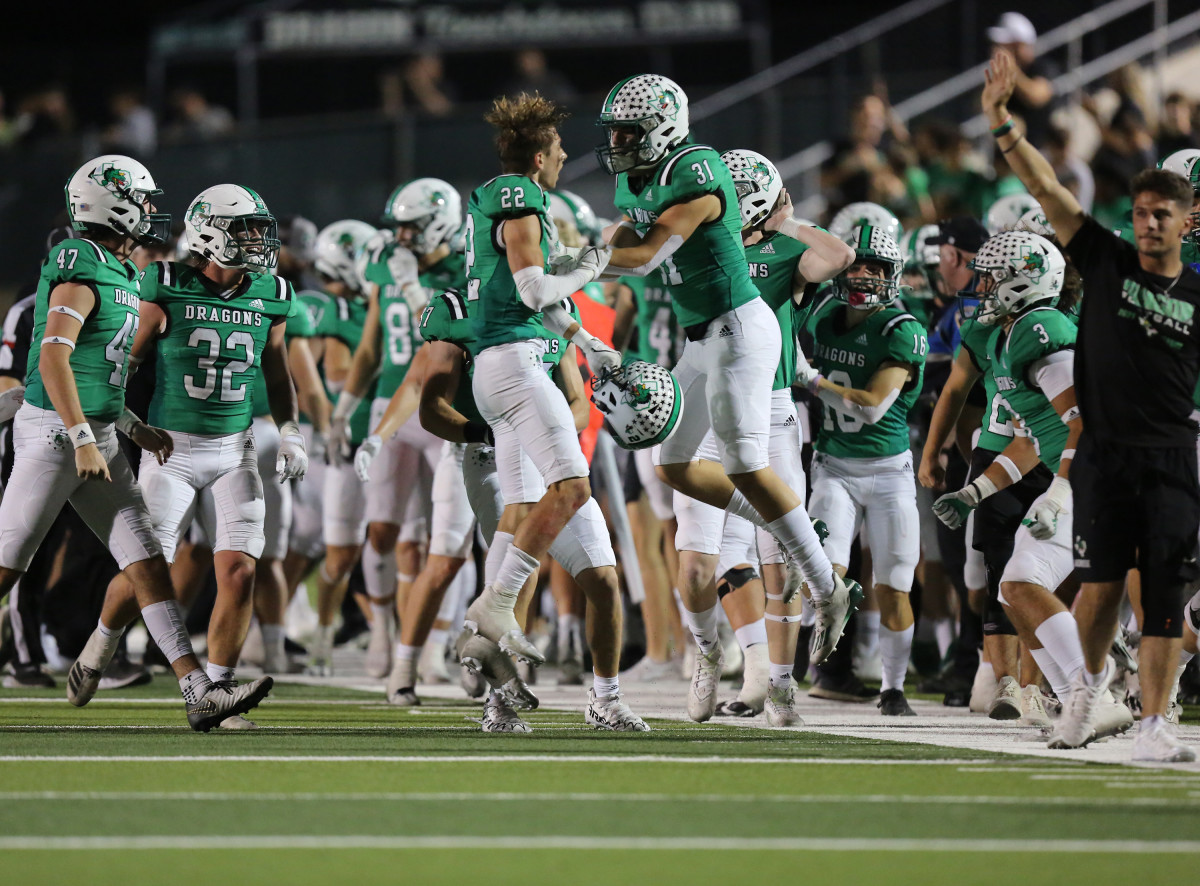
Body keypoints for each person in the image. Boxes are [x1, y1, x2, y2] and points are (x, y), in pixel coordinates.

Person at [591, 74, 860, 675]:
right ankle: (790, 531)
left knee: (742, 463)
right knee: (674, 464)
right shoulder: (639, 175)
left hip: (741, 329)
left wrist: (573, 263)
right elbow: (630, 235)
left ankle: (826, 586)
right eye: (614, 130)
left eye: (628, 131)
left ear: (663, 126)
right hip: (701, 339)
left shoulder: (699, 169)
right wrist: (605, 243)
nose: (618, 142)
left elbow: (649, 253)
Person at [0, 155, 271, 730]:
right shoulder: (80, 260)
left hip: (95, 433)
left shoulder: (124, 272)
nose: (150, 210)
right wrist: (81, 437)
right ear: (112, 203)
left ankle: (200, 691)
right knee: (8, 565)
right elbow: (54, 356)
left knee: (148, 565)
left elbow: (102, 371)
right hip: (56, 434)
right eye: (143, 199)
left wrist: (127, 425)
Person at [984, 48, 1199, 761]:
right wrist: (1004, 127)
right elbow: (1048, 192)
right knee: (1102, 588)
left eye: (1161, 214)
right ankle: (1087, 692)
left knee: (1163, 593)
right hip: (1105, 455)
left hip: (1173, 452)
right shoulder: (1105, 261)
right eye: (1139, 213)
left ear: (1187, 220)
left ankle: (1154, 724)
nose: (1148, 225)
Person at [458, 92, 648, 730]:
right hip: (511, 368)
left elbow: (544, 305)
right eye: (561, 150)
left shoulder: (505, 197)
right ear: (540, 158)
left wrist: (594, 346)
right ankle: (494, 607)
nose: (566, 157)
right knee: (569, 487)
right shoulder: (520, 196)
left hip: (518, 365)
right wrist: (593, 261)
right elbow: (535, 287)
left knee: (584, 563)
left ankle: (599, 700)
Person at [100, 184, 307, 727]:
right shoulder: (165, 283)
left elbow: (277, 372)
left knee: (239, 572)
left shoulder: (272, 291)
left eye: (259, 229)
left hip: (235, 449)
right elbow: (125, 361)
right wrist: (125, 421)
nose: (258, 241)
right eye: (245, 230)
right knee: (151, 567)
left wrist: (291, 430)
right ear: (210, 232)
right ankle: (102, 640)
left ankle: (216, 690)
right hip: (172, 448)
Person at [334, 178, 463, 680]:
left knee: (445, 538)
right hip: (393, 400)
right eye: (400, 228)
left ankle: (434, 643)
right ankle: (384, 629)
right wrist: (345, 408)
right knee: (386, 530)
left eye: (413, 228)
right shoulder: (386, 264)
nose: (403, 238)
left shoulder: (463, 269)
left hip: (447, 404)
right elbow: (370, 345)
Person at [798, 224, 927, 716]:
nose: (865, 274)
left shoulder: (902, 330)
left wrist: (811, 378)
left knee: (894, 584)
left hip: (889, 472)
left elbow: (872, 406)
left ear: (893, 276)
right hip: (833, 467)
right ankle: (811, 656)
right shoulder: (824, 314)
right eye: (857, 263)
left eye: (877, 266)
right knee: (823, 574)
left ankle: (893, 688)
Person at [304, 220, 381, 675]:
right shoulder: (337, 311)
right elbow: (337, 373)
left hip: (390, 433)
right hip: (350, 440)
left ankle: (392, 635)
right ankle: (323, 632)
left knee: (398, 542)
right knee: (341, 551)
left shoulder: (389, 300)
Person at [986, 13, 1056, 148]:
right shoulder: (1001, 75)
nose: (1000, 50)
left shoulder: (1042, 67)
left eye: (1007, 45)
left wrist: (1012, 71)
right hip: (1012, 152)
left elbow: (1036, 96)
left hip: (1041, 149)